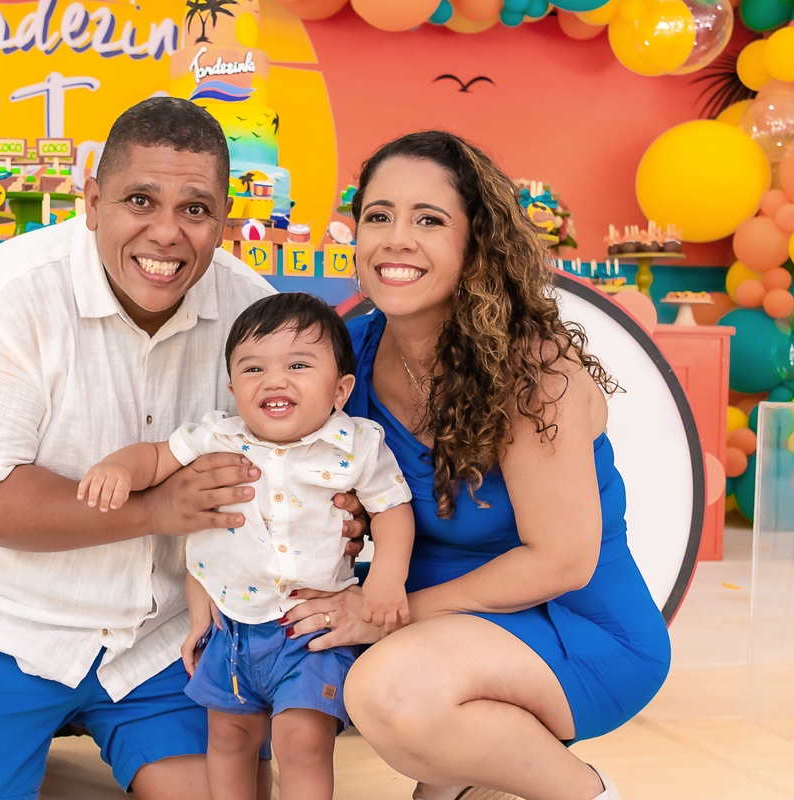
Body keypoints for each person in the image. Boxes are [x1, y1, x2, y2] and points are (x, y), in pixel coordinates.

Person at [0, 97, 366, 800]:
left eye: (195, 210)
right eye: (141, 200)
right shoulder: (3, 300)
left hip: (165, 635)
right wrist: (156, 506)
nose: (166, 233)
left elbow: (298, 450)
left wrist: (338, 504)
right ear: (93, 201)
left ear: (224, 222)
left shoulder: (256, 317)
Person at [281, 131, 671, 800]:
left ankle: (587, 793)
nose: (396, 238)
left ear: (476, 243)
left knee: (388, 689)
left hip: (575, 624)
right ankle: (470, 781)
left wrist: (386, 612)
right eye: (379, 215)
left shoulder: (532, 371)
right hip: (441, 623)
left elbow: (561, 562)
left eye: (428, 220)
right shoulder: (348, 352)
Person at [79, 292, 415, 800]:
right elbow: (154, 456)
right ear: (234, 388)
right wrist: (120, 468)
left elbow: (392, 510)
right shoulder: (217, 435)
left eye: (299, 364)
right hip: (230, 625)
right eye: (253, 368)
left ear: (341, 389)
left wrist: (386, 581)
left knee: (302, 737)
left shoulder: (356, 445)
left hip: (309, 626)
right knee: (229, 738)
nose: (274, 380)